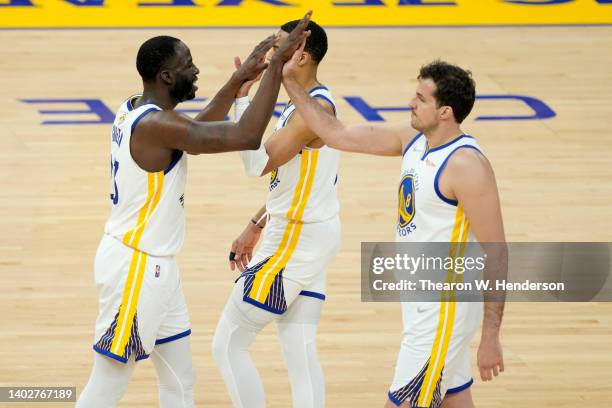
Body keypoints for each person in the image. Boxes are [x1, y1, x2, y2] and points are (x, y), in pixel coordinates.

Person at [76, 12, 312, 407]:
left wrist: (240, 80)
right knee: (108, 382)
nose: (196, 69)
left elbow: (195, 131)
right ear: (167, 77)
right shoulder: (155, 127)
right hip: (136, 267)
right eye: (187, 64)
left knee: (181, 380)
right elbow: (246, 135)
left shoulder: (137, 107)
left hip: (157, 267)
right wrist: (274, 69)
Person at [282, 58, 506, 408]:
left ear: (445, 111)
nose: (410, 103)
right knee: (452, 396)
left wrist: (491, 335)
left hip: (443, 310)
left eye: (420, 98)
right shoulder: (413, 139)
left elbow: (497, 252)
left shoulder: (466, 166)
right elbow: (337, 134)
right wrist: (291, 83)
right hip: (423, 304)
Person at [211, 20, 339, 408]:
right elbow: (297, 185)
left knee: (228, 344)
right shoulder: (301, 102)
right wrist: (255, 225)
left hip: (296, 240)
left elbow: (257, 164)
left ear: (301, 55)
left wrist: (242, 100)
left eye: (279, 48)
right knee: (299, 350)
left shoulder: (313, 109)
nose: (270, 55)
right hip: (312, 232)